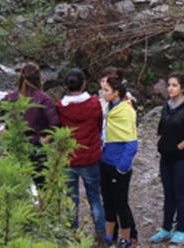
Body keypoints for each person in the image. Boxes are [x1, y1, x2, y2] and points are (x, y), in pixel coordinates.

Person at [57, 69, 108, 243]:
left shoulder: (61, 107)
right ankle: (101, 236)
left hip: (69, 158)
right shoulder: (94, 103)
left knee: (71, 200)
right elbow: (99, 124)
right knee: (94, 198)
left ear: (66, 85)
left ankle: (73, 237)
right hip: (90, 157)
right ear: (84, 84)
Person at [0, 62, 59, 185]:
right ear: (39, 78)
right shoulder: (44, 98)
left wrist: (2, 130)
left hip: (15, 145)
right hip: (36, 147)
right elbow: (55, 123)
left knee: (17, 185)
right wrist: (45, 140)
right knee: (42, 186)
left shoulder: (13, 97)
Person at [153, 74, 184, 244]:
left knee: (181, 193)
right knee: (168, 193)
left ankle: (181, 228)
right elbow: (161, 126)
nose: (170, 88)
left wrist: (177, 147)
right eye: (169, 85)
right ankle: (166, 227)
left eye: (174, 85)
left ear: (183, 88)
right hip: (166, 157)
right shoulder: (168, 106)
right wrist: (160, 142)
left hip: (182, 158)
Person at [100, 72, 138, 247]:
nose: (103, 93)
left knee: (121, 203)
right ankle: (109, 237)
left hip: (118, 165)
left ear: (115, 92)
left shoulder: (126, 111)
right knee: (107, 202)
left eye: (106, 90)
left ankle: (125, 238)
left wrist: (122, 167)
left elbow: (131, 143)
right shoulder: (109, 109)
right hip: (105, 161)